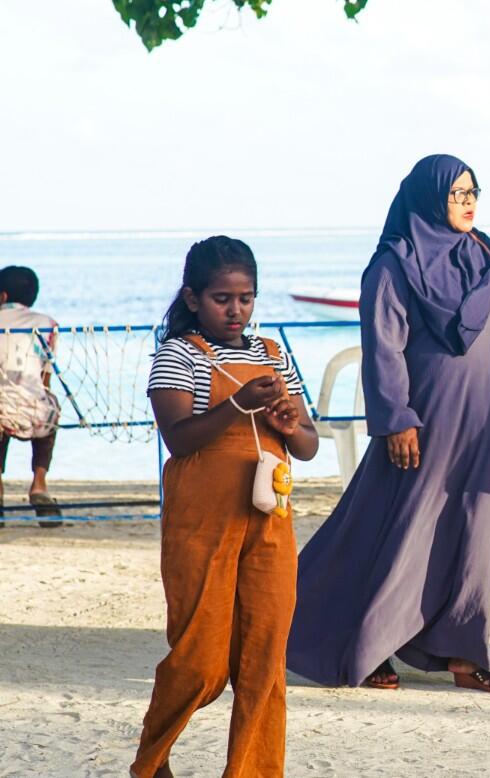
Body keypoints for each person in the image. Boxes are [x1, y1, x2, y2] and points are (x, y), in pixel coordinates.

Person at [287, 154, 490, 694]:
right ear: (428, 197)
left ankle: (468, 653)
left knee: (472, 529)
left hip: (483, 416)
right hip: (423, 421)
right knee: (401, 529)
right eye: (457, 193)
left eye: (474, 191)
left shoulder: (489, 256)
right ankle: (362, 643)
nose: (469, 201)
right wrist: (396, 417)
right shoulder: (393, 263)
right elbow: (385, 346)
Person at [132, 236, 319, 777]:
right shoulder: (178, 354)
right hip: (202, 521)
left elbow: (307, 445)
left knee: (265, 654)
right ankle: (151, 759)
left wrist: (288, 423)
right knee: (200, 658)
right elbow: (180, 439)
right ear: (193, 298)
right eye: (222, 298)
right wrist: (238, 405)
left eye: (246, 298)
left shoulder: (272, 355)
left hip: (270, 518)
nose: (235, 310)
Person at [0, 265, 62, 528]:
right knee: (52, 404)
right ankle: (39, 483)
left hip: (2, 410)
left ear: (2, 296)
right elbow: (45, 374)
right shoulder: (47, 324)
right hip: (36, 412)